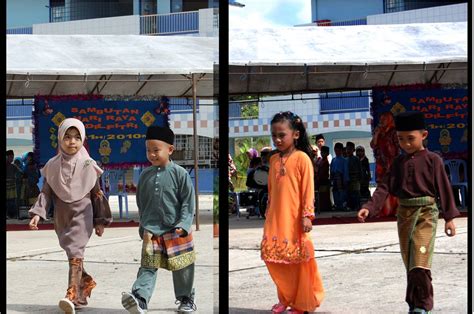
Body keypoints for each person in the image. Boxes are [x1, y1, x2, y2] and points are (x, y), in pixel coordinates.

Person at [358, 112, 460, 313]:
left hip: (426, 215)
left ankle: (423, 305)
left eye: (410, 138)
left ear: (424, 135)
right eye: (400, 139)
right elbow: (384, 186)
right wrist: (369, 207)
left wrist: (449, 218)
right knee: (411, 262)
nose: (405, 144)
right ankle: (414, 304)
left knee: (420, 261)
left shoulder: (434, 160)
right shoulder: (398, 163)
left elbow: (444, 188)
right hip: (404, 216)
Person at [28, 118, 112, 313]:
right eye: (67, 137)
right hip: (62, 218)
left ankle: (71, 295)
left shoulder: (88, 165)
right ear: (60, 139)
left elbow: (96, 194)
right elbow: (47, 192)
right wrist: (38, 214)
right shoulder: (52, 165)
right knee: (73, 254)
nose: (72, 142)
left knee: (75, 252)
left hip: (83, 216)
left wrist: (100, 221)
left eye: (76, 137)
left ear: (82, 139)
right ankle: (85, 285)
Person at [121, 126, 197, 314]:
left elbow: (188, 202)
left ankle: (186, 299)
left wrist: (184, 224)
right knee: (148, 265)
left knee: (183, 266)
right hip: (152, 230)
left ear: (170, 150)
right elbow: (142, 203)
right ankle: (140, 299)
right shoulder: (145, 175)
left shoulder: (180, 174)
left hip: (177, 230)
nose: (152, 154)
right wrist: (144, 226)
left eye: (156, 150)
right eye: (149, 150)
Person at [261, 111, 324, 313]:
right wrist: (269, 212)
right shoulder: (273, 160)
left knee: (297, 262)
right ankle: (285, 297)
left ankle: (301, 301)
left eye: (282, 135)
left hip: (295, 218)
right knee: (276, 260)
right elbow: (271, 191)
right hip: (275, 217)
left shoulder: (302, 158)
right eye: (274, 135)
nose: (277, 139)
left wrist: (307, 215)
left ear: (295, 134)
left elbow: (308, 190)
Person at [371, 111, 400, 216]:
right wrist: (377, 134)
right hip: (381, 163)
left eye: (384, 119)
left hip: (392, 163)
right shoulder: (380, 132)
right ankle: (384, 210)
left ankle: (395, 210)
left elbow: (398, 148)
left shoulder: (394, 132)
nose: (381, 121)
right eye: (381, 119)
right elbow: (373, 145)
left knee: (393, 185)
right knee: (382, 186)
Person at [330, 142, 349, 211]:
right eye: (336, 150)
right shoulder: (333, 160)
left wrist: (345, 179)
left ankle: (342, 205)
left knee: (342, 191)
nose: (337, 152)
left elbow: (345, 171)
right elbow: (331, 170)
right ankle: (337, 205)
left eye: (338, 150)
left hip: (341, 177)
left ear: (341, 150)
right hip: (335, 177)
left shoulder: (344, 160)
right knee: (335, 191)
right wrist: (331, 178)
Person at [314, 146, 332, 213]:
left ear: (327, 153)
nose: (322, 153)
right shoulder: (320, 160)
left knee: (324, 194)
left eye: (324, 152)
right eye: (321, 152)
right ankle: (321, 207)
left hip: (323, 179)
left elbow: (322, 171)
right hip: (320, 179)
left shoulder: (325, 162)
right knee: (321, 194)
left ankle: (325, 208)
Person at [345, 142, 362, 211]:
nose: (348, 151)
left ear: (353, 150)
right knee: (349, 193)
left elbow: (360, 169)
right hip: (348, 179)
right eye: (347, 149)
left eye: (350, 149)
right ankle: (351, 206)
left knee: (356, 192)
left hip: (355, 178)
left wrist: (360, 178)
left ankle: (357, 206)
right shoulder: (345, 159)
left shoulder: (356, 159)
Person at [6, 150, 21, 219]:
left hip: (12, 187)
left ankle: (13, 215)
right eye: (11, 157)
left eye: (13, 157)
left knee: (12, 201)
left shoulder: (13, 166)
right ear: (7, 157)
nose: (12, 159)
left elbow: (21, 173)